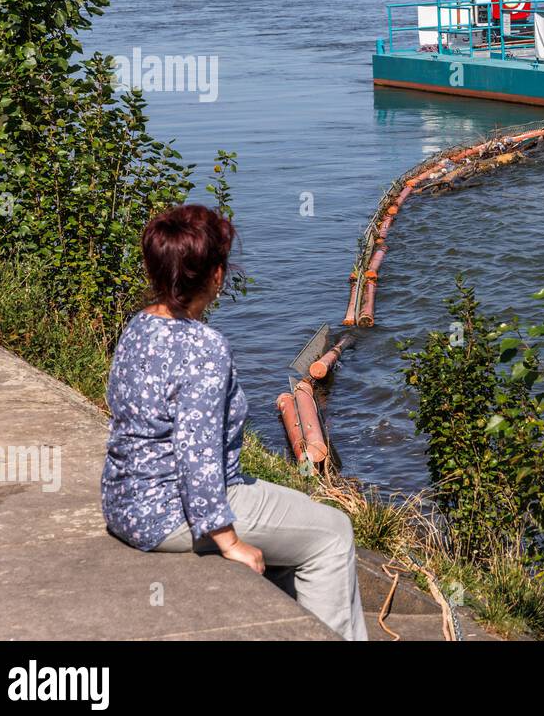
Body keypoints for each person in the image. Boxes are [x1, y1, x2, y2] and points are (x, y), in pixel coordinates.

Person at [101, 204, 367, 640]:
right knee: (334, 533)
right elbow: (196, 454)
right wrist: (229, 542)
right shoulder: (205, 347)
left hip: (125, 501)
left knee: (300, 522)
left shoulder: (138, 327)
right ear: (217, 276)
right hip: (172, 510)